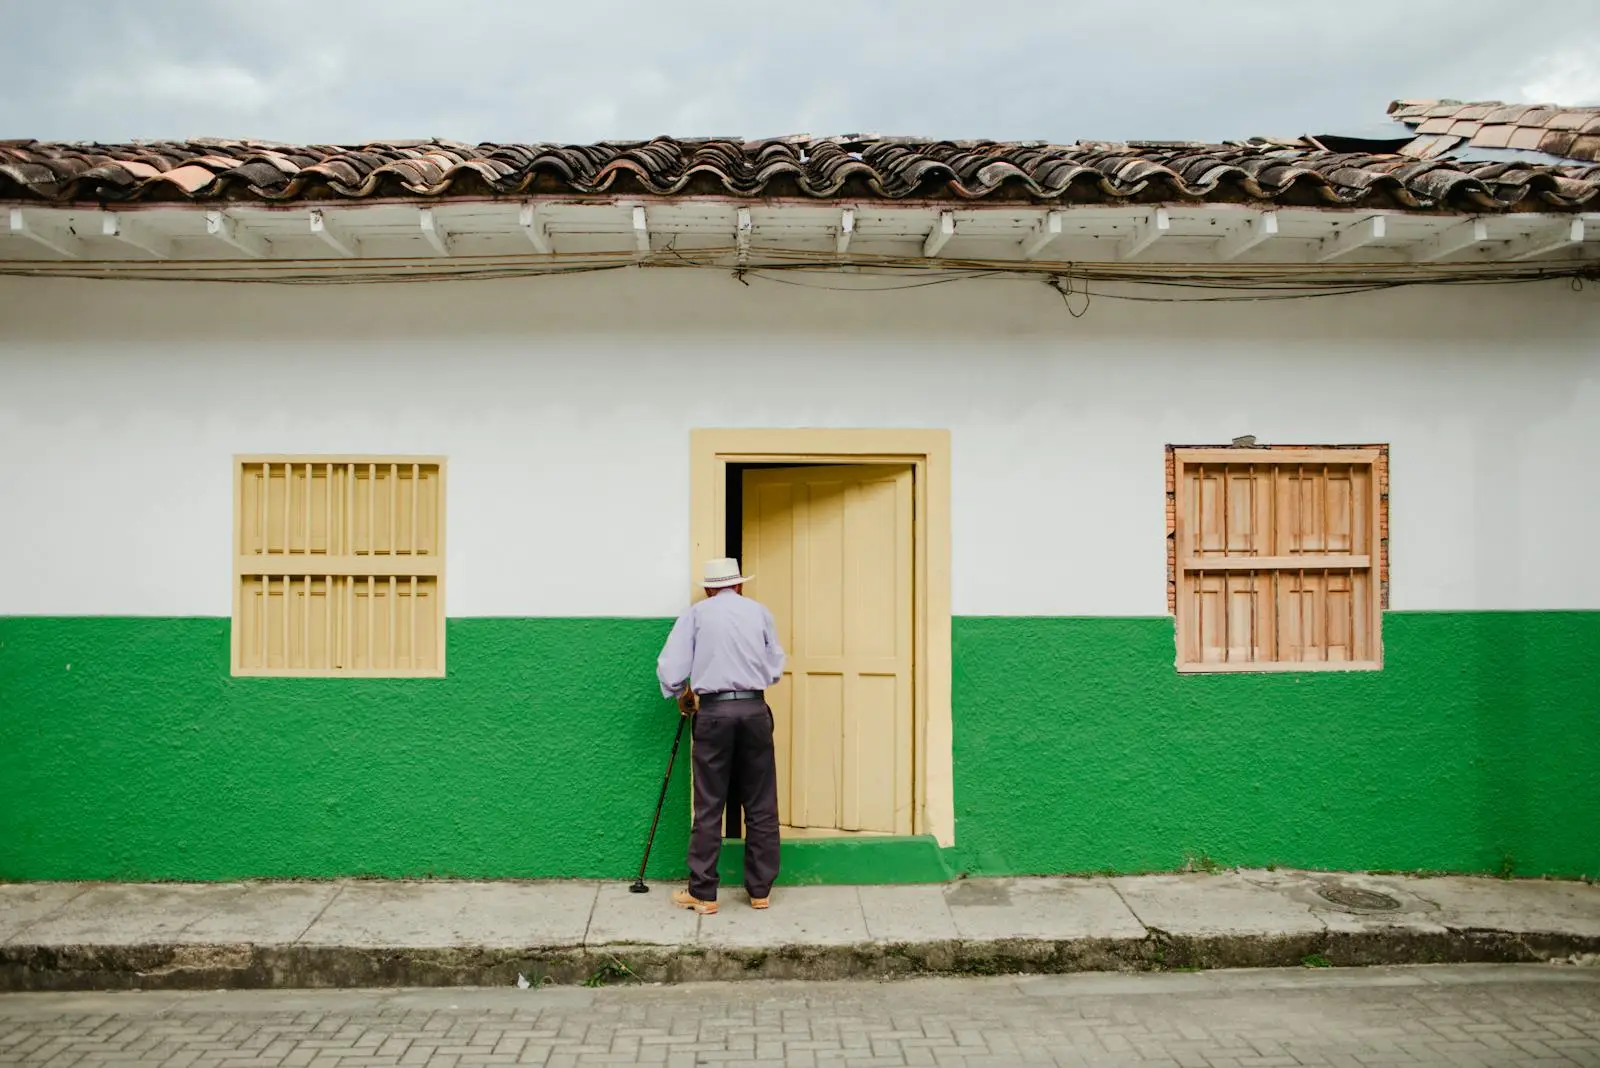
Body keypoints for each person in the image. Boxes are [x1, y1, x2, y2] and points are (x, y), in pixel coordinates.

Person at [656, 557, 785, 915]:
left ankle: (704, 893)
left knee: (710, 802)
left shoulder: (697, 615)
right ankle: (760, 891)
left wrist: (681, 691)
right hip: (754, 710)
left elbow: (671, 667)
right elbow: (774, 665)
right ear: (739, 585)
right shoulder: (759, 612)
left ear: (710, 588)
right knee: (760, 801)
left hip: (714, 713)